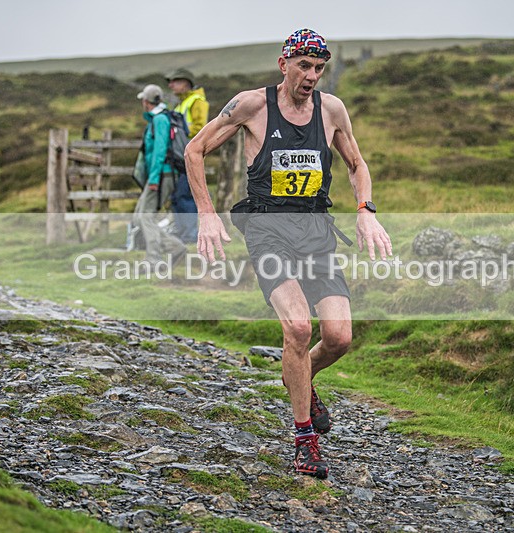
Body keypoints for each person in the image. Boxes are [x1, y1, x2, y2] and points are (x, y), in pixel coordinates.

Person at [184, 29, 391, 479]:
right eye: (304, 66)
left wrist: (365, 210)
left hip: (316, 234)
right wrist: (205, 213)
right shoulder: (252, 106)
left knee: (338, 337)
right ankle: (304, 441)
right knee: (298, 326)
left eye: (319, 69)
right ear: (284, 64)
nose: (311, 76)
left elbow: (356, 164)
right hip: (267, 231)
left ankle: (298, 374)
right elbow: (194, 149)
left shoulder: (332, 110)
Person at [133, 84, 186, 266]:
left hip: (162, 175)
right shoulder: (158, 119)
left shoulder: (160, 120)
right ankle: (174, 246)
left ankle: (154, 258)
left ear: (146, 101)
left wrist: (154, 179)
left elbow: (160, 151)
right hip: (159, 175)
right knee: (139, 217)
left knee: (145, 216)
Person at [166, 68, 209, 244]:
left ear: (186, 83)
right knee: (176, 197)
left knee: (185, 195)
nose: (171, 85)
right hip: (179, 157)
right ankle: (182, 233)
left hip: (190, 157)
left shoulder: (197, 101)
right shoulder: (180, 104)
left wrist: (182, 133)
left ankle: (190, 235)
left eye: (175, 81)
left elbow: (201, 128)